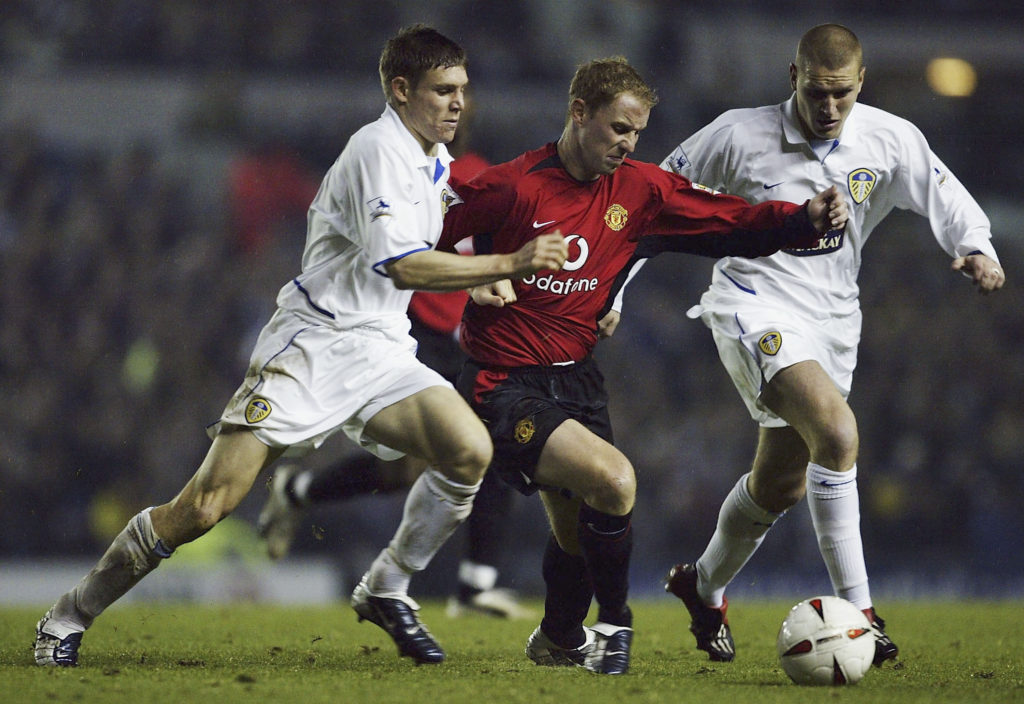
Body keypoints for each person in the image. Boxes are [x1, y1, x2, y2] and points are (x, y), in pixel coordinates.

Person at [33, 24, 569, 668]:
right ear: (401, 90)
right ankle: (70, 614)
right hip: (312, 346)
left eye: (462, 89)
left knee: (468, 450)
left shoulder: (435, 160)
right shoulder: (377, 149)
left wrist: (477, 287)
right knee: (204, 508)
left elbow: (430, 248)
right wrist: (506, 265)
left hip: (382, 347)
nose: (459, 102)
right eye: (442, 90)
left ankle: (387, 586)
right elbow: (400, 265)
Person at [438, 56, 848, 675]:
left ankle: (555, 638)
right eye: (618, 129)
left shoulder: (640, 189)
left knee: (579, 530)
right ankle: (615, 625)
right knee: (615, 481)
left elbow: (728, 220)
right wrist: (473, 281)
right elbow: (425, 239)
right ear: (579, 113)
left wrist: (802, 220)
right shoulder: (513, 186)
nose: (628, 145)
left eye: (637, 134)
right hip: (501, 382)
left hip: (577, 377)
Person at [659, 23, 1005, 665]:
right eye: (817, 93)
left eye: (841, 95)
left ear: (860, 83)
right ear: (793, 77)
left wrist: (976, 248)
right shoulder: (737, 133)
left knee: (781, 484)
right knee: (839, 436)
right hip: (751, 302)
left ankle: (702, 586)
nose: (828, 108)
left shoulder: (890, 137)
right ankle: (864, 617)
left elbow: (944, 195)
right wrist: (612, 295)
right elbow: (650, 199)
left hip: (834, 322)